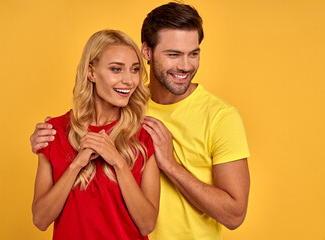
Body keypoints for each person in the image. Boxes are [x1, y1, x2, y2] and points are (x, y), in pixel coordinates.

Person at [30, 2, 250, 240]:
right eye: (174, 54)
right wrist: (47, 140)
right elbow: (84, 119)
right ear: (147, 52)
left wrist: (170, 165)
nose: (185, 65)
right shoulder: (126, 102)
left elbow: (234, 216)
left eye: (193, 53)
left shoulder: (220, 117)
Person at [31, 29, 160, 240]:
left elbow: (147, 225)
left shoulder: (144, 137)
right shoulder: (54, 132)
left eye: (134, 69)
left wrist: (118, 161)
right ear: (91, 72)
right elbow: (40, 220)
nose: (129, 80)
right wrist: (76, 165)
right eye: (116, 69)